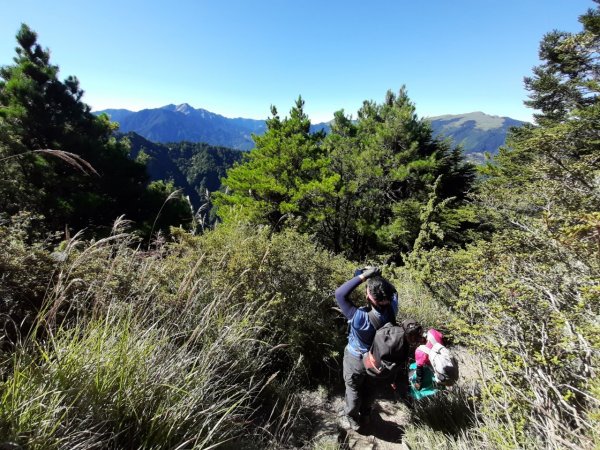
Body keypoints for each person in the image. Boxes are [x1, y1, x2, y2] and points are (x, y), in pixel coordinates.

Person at [335, 267, 422, 431]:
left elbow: (340, 294)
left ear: (368, 296)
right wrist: (378, 280)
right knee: (371, 388)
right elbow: (393, 291)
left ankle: (352, 418)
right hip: (378, 361)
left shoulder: (359, 317)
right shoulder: (392, 309)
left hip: (356, 359)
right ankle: (366, 414)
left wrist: (364, 276)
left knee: (353, 388)